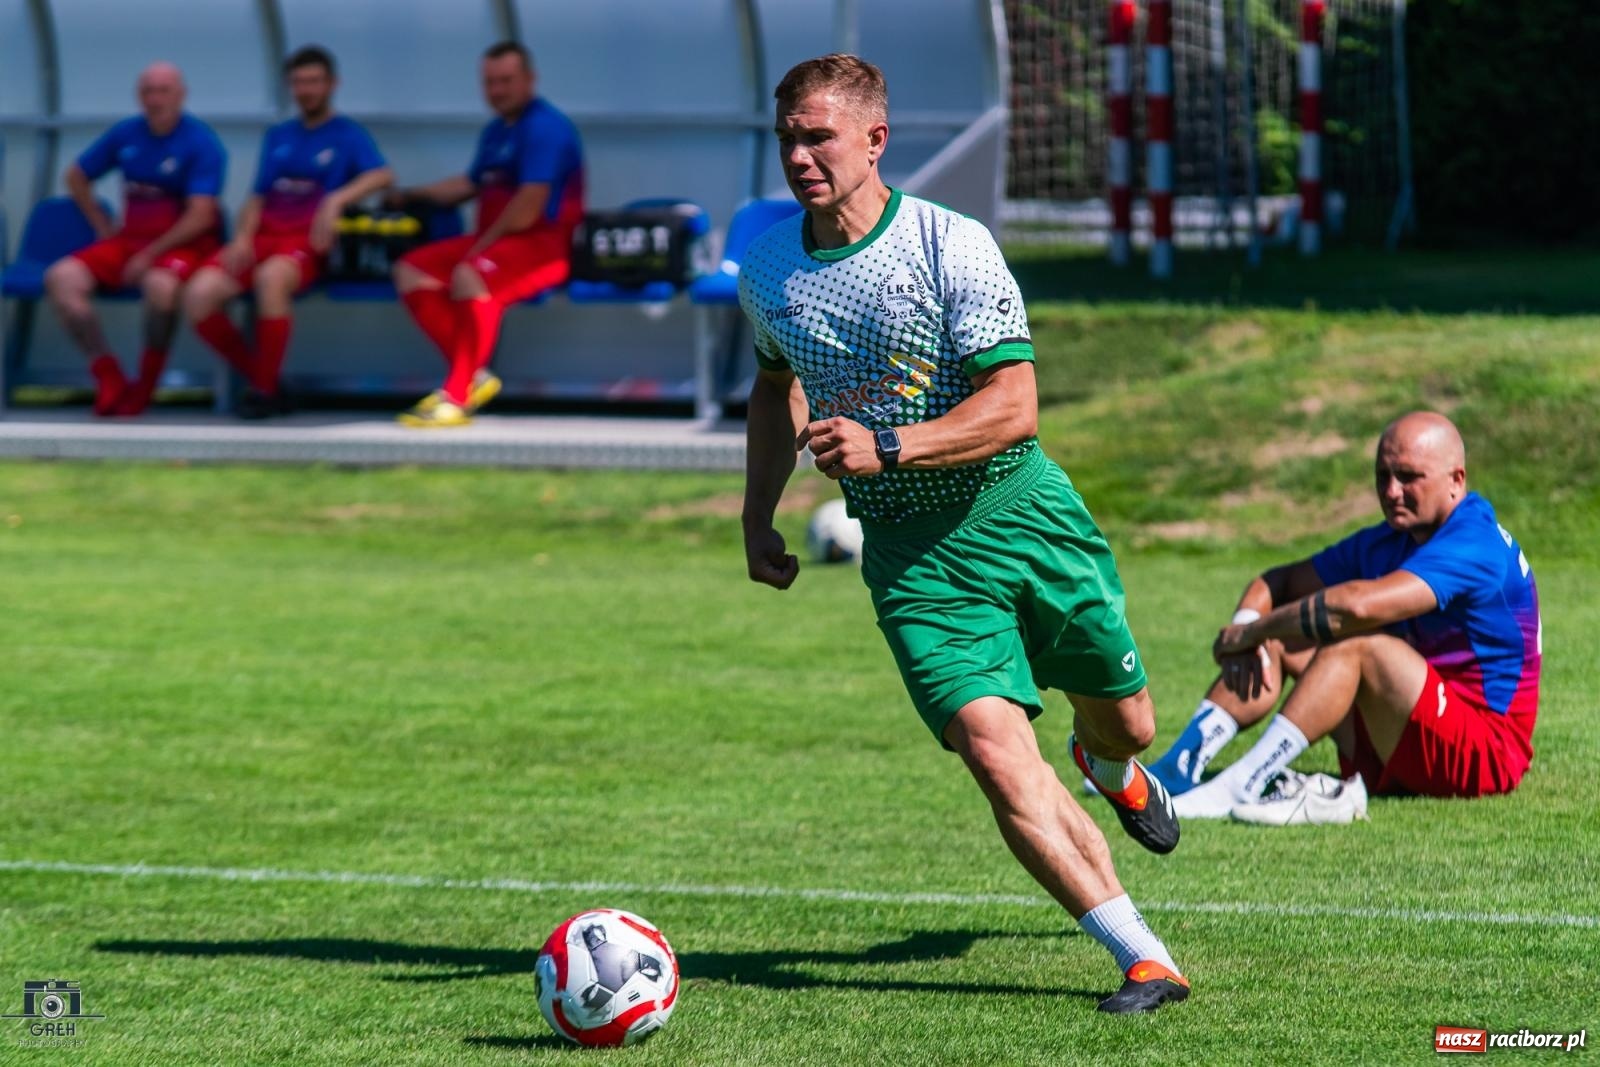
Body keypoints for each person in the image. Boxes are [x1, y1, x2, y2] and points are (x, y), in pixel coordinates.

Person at [738, 54, 1187, 1014]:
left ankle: (1108, 763)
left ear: (874, 139)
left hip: (1021, 516)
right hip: (909, 559)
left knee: (1133, 719)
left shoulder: (952, 244)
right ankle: (1142, 955)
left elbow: (1016, 404)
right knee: (993, 752)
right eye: (787, 139)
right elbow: (774, 387)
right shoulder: (770, 270)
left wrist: (887, 445)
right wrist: (754, 514)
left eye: (818, 136)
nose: (800, 157)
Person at [1151, 412, 1540, 825]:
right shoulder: (1391, 539)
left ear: (1456, 480)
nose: (1391, 491)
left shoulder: (1474, 542)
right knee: (1282, 639)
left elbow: (1356, 608)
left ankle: (1243, 783)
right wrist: (1250, 629)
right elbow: (1278, 582)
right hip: (1411, 734)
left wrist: (1248, 632)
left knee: (1357, 643)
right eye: (1382, 475)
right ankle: (1178, 767)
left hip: (1484, 755)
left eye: (1409, 476)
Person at [182, 46, 391, 418]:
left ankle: (262, 391)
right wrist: (243, 236)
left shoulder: (348, 134)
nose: (306, 90)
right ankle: (267, 381)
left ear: (332, 84)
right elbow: (257, 196)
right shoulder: (279, 135)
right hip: (262, 239)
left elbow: (383, 175)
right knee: (200, 294)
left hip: (306, 245)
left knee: (271, 278)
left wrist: (336, 199)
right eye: (298, 82)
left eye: (313, 81)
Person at [387, 40, 584, 428]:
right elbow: (470, 183)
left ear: (530, 79)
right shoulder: (497, 130)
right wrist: (413, 194)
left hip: (544, 246)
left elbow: (529, 204)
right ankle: (473, 376)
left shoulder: (546, 128)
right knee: (411, 269)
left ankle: (456, 398)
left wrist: (481, 246)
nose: (497, 91)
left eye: (506, 81)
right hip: (497, 241)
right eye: (490, 82)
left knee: (470, 273)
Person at [43, 62, 226, 417]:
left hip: (180, 246)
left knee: (162, 286)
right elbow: (77, 175)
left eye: (163, 91)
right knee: (61, 277)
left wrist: (152, 254)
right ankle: (107, 373)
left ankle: (145, 385)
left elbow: (201, 215)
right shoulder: (127, 133)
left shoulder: (201, 142)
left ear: (181, 94)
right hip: (130, 240)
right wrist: (100, 221)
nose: (155, 99)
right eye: (147, 91)